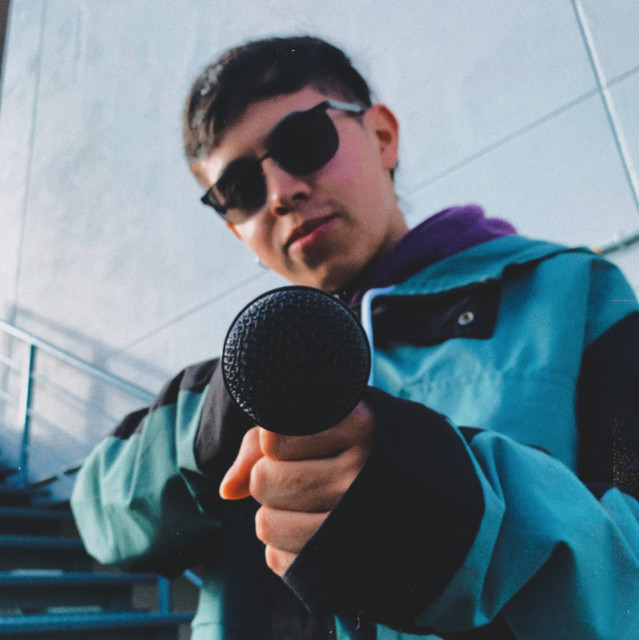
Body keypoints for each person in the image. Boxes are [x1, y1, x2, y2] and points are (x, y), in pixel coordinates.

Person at [71, 35, 639, 639]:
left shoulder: (577, 296)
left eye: (303, 142)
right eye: (238, 190)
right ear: (237, 231)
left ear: (383, 136)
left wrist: (459, 529)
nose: (281, 193)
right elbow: (100, 519)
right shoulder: (237, 383)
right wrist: (207, 428)